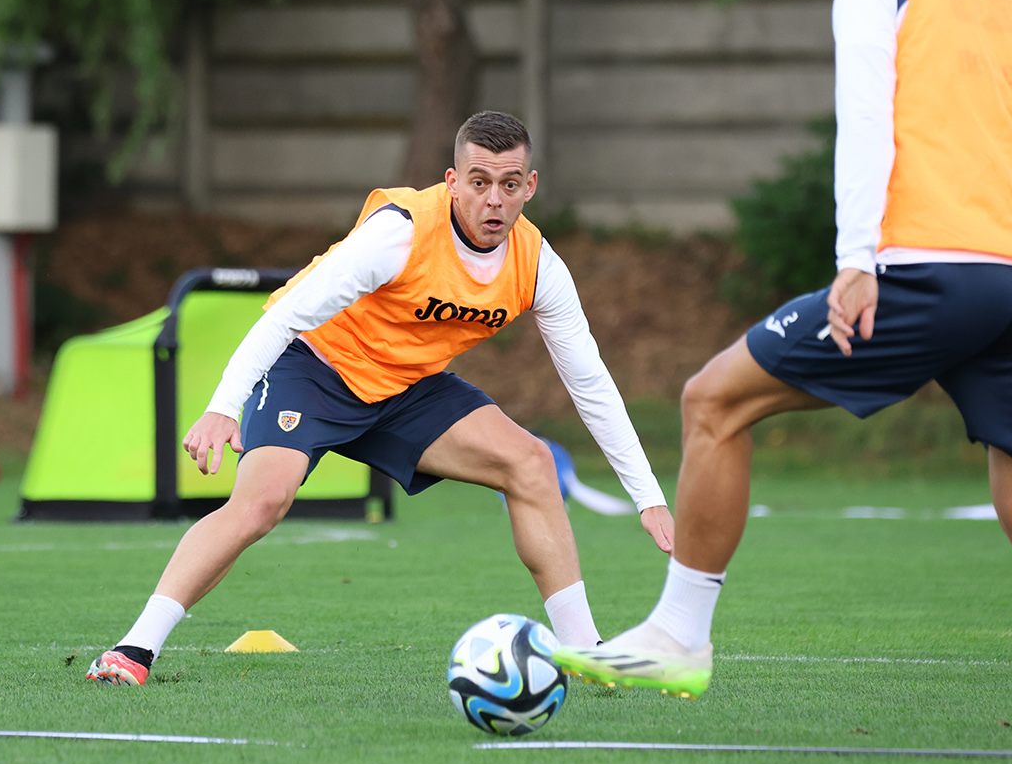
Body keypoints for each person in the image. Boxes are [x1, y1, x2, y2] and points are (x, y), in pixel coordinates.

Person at [553, 0, 1012, 699]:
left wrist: (856, 262)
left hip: (938, 267)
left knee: (713, 401)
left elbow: (866, 119)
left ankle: (678, 635)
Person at [87, 111, 674, 685]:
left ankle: (585, 653)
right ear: (453, 182)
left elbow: (590, 383)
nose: (494, 200)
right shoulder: (400, 234)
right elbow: (285, 317)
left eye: (509, 184)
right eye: (479, 183)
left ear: (530, 187)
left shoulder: (538, 264)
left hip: (408, 387)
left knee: (532, 463)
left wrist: (648, 498)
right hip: (314, 370)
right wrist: (222, 406)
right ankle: (134, 648)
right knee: (261, 503)